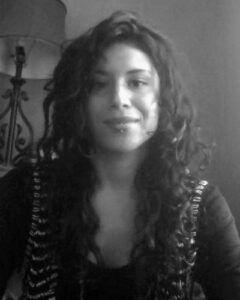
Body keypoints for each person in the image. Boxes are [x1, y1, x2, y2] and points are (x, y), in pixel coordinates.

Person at [0, 10, 240, 300]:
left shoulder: (203, 207)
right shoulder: (26, 191)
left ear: (162, 100)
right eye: (98, 84)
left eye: (137, 82)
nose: (118, 99)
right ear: (78, 99)